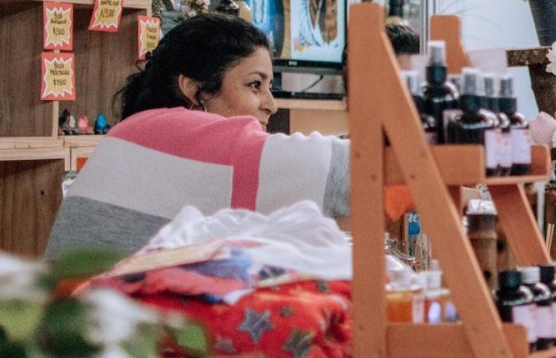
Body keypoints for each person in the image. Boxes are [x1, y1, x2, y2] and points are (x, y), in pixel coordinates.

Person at [46, 13, 349, 258]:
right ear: (193, 89)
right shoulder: (189, 137)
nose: (270, 105)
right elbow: (352, 172)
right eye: (255, 85)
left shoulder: (137, 131)